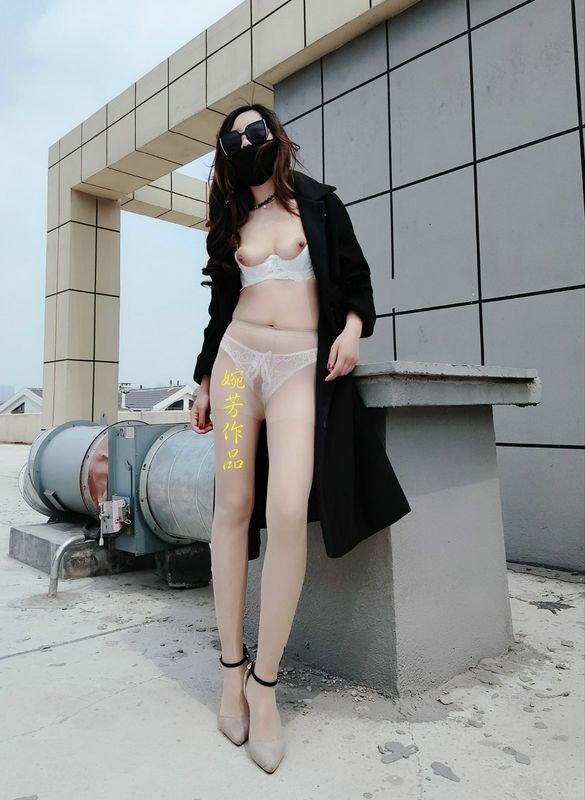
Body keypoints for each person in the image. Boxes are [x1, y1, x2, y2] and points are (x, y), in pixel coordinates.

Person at [191, 104, 382, 773]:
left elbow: (356, 280)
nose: (248, 142)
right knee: (233, 506)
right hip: (236, 367)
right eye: (233, 139)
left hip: (300, 367)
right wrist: (204, 381)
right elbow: (219, 308)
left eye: (256, 131)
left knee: (287, 510)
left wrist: (352, 332)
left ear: (276, 137)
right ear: (225, 155)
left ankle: (266, 686)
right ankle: (231, 672)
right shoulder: (228, 222)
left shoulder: (321, 205)